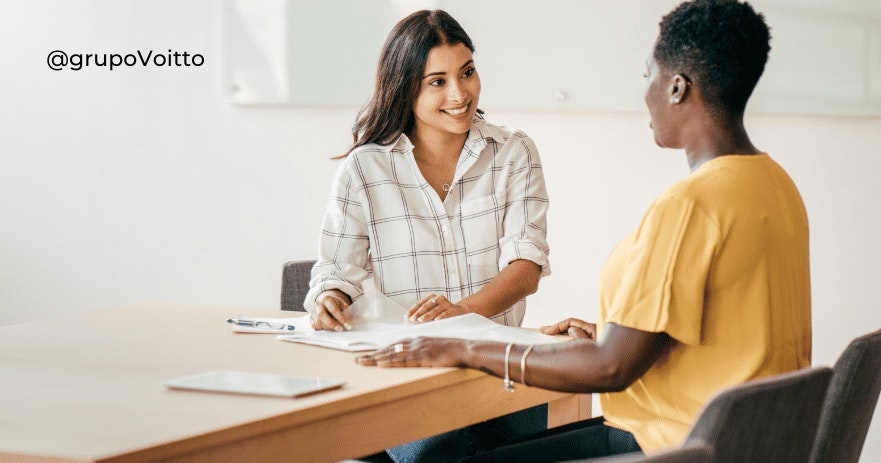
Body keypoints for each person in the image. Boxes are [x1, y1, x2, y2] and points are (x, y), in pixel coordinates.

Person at [356, 1, 812, 461]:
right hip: (745, 442)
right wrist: (612, 335)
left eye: (647, 75)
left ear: (676, 87)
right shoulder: (775, 184)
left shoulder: (690, 206)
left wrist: (465, 348)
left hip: (671, 445)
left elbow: (610, 369)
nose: (645, 91)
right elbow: (728, 335)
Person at [303, 9, 551, 463]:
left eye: (468, 73)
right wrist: (329, 297)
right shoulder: (364, 169)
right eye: (437, 81)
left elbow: (526, 268)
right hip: (406, 378)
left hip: (499, 372)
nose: (460, 94)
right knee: (438, 453)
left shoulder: (513, 152)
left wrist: (461, 316)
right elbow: (336, 270)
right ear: (405, 89)